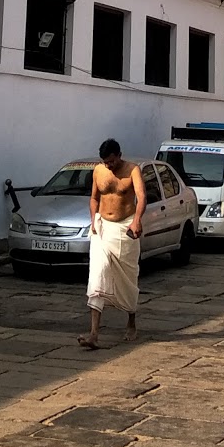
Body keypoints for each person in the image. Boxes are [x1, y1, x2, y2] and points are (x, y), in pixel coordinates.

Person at [78, 138, 145, 351]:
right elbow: (94, 198)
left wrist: (136, 220)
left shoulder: (133, 170)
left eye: (112, 161)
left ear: (119, 155)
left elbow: (142, 198)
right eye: (106, 162)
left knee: (128, 277)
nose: (109, 166)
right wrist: (93, 219)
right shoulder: (98, 171)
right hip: (103, 227)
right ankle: (94, 333)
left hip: (125, 227)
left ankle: (131, 320)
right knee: (97, 275)